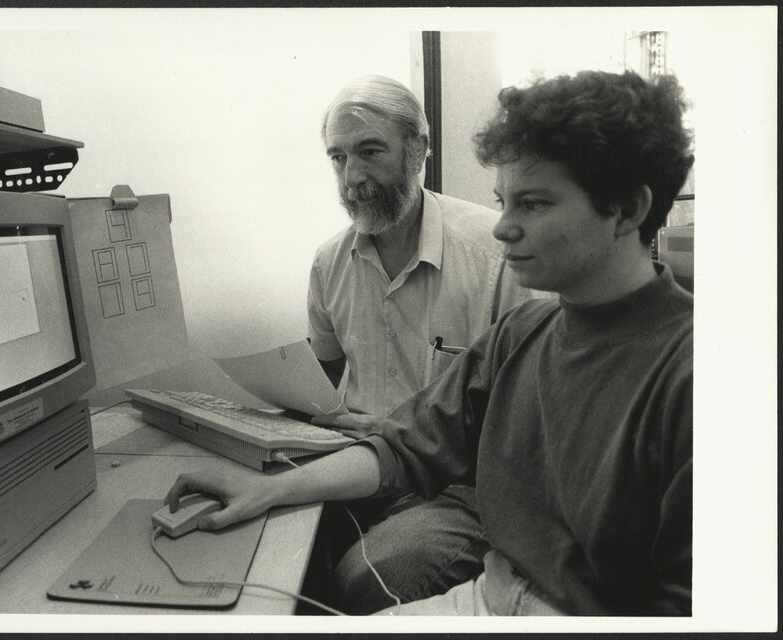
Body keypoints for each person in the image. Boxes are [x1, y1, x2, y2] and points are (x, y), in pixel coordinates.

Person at [165, 69, 694, 616]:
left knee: (362, 578)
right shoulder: (522, 337)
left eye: (532, 204)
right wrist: (264, 488)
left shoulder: (694, 374)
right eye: (502, 202)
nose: (503, 227)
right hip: (498, 590)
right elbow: (407, 443)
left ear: (628, 209)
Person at [306, 75, 539, 613]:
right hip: (363, 460)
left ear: (419, 151)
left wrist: (397, 433)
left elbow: (526, 423)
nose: (353, 177)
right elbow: (316, 382)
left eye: (370, 151)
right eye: (338, 158)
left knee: (366, 576)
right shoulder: (327, 262)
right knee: (277, 540)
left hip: (460, 483)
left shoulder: (497, 255)